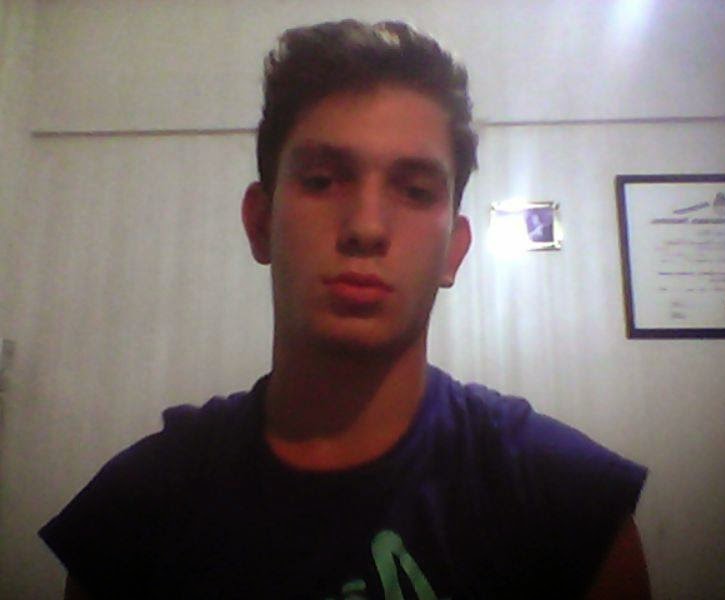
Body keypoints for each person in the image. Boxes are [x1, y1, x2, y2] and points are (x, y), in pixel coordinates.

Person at [40, 20, 649, 599]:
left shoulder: (568, 505)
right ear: (259, 222)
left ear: (454, 251)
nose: (365, 227)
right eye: (323, 180)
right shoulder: (136, 510)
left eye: (415, 190)